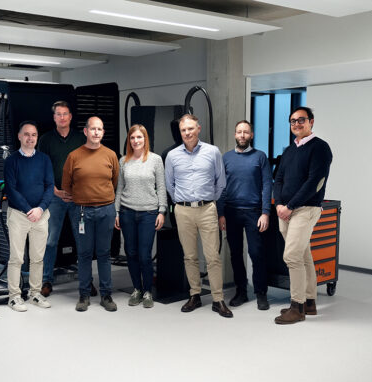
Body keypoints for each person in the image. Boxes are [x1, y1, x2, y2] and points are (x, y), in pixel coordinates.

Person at [165, 114, 233, 318]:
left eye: (190, 129)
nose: (187, 133)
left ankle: (218, 299)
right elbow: (170, 184)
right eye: (183, 130)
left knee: (212, 257)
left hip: (207, 209)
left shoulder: (212, 152)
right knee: (189, 256)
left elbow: (221, 182)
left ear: (198, 129)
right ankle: (194, 295)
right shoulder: (172, 156)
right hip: (183, 210)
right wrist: (181, 201)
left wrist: (209, 201)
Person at [273, 107, 332, 325]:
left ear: (311, 122)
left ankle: (296, 307)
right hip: (285, 210)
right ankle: (309, 302)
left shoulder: (320, 148)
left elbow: (315, 182)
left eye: (301, 120)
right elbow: (278, 179)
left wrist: (290, 206)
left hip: (305, 209)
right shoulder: (290, 150)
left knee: (291, 256)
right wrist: (280, 204)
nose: (296, 124)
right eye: (293, 121)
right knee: (304, 255)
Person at [38, 101, 96, 297]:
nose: (62, 117)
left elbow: (88, 167)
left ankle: (87, 281)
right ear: (54, 117)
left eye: (65, 114)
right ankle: (47, 280)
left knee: (82, 241)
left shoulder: (81, 138)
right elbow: (42, 169)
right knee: (50, 241)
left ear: (70, 117)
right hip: (55, 197)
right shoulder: (46, 140)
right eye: (58, 114)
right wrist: (54, 191)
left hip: (77, 199)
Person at [62, 116, 119, 312]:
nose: (96, 132)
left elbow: (115, 181)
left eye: (99, 129)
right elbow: (66, 185)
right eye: (93, 129)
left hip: (106, 210)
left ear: (103, 132)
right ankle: (84, 295)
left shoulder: (110, 155)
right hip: (82, 212)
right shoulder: (74, 156)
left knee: (104, 253)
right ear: (86, 131)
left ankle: (106, 295)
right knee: (84, 254)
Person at [217, 120, 272, 310]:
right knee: (235, 254)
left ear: (251, 135)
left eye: (246, 132)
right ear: (235, 134)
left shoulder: (260, 157)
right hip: (231, 212)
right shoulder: (226, 158)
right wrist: (221, 213)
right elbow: (221, 188)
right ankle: (241, 291)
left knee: (256, 253)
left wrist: (265, 213)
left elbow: (267, 186)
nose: (242, 135)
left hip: (254, 213)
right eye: (239, 132)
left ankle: (261, 293)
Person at [114, 124, 167, 308]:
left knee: (144, 255)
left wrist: (162, 211)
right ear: (129, 140)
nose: (136, 141)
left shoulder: (155, 160)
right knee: (131, 252)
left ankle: (147, 291)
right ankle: (137, 289)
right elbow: (120, 188)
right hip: (127, 212)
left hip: (148, 213)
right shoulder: (123, 161)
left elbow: (161, 187)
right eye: (132, 138)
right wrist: (117, 211)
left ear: (145, 139)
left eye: (139, 137)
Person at [4, 121, 54, 311]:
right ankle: (14, 296)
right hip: (19, 215)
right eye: (26, 134)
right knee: (16, 258)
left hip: (41, 215)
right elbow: (11, 189)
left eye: (33, 135)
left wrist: (40, 209)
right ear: (19, 136)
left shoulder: (44, 159)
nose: (30, 138)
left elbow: (50, 186)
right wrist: (28, 210)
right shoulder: (12, 161)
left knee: (38, 258)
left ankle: (35, 294)